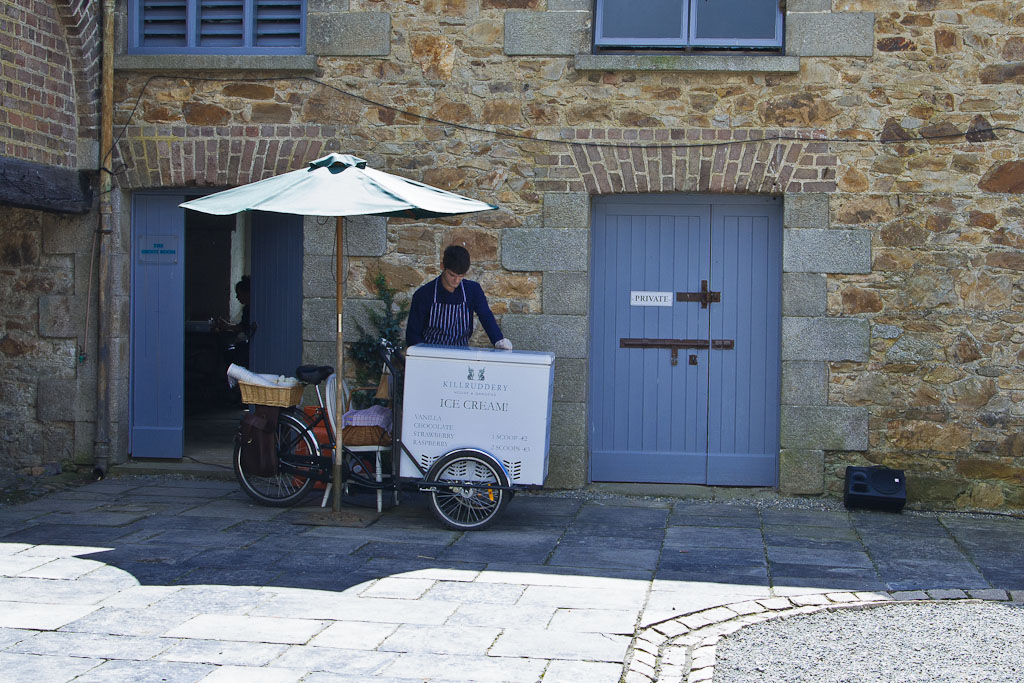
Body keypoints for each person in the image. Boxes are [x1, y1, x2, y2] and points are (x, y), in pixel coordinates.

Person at [406, 245, 513, 350]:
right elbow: (413, 335)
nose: (456, 281)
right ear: (442, 266)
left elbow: (485, 316)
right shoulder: (423, 294)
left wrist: (498, 340)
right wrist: (421, 356)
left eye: (461, 276)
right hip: (431, 355)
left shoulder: (472, 290)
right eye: (452, 275)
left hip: (460, 354)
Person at [216, 275, 253, 367]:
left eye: (239, 294)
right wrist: (228, 325)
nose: (237, 297)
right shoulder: (247, 308)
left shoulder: (250, 309)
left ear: (247, 293)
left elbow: (243, 327)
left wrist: (227, 326)